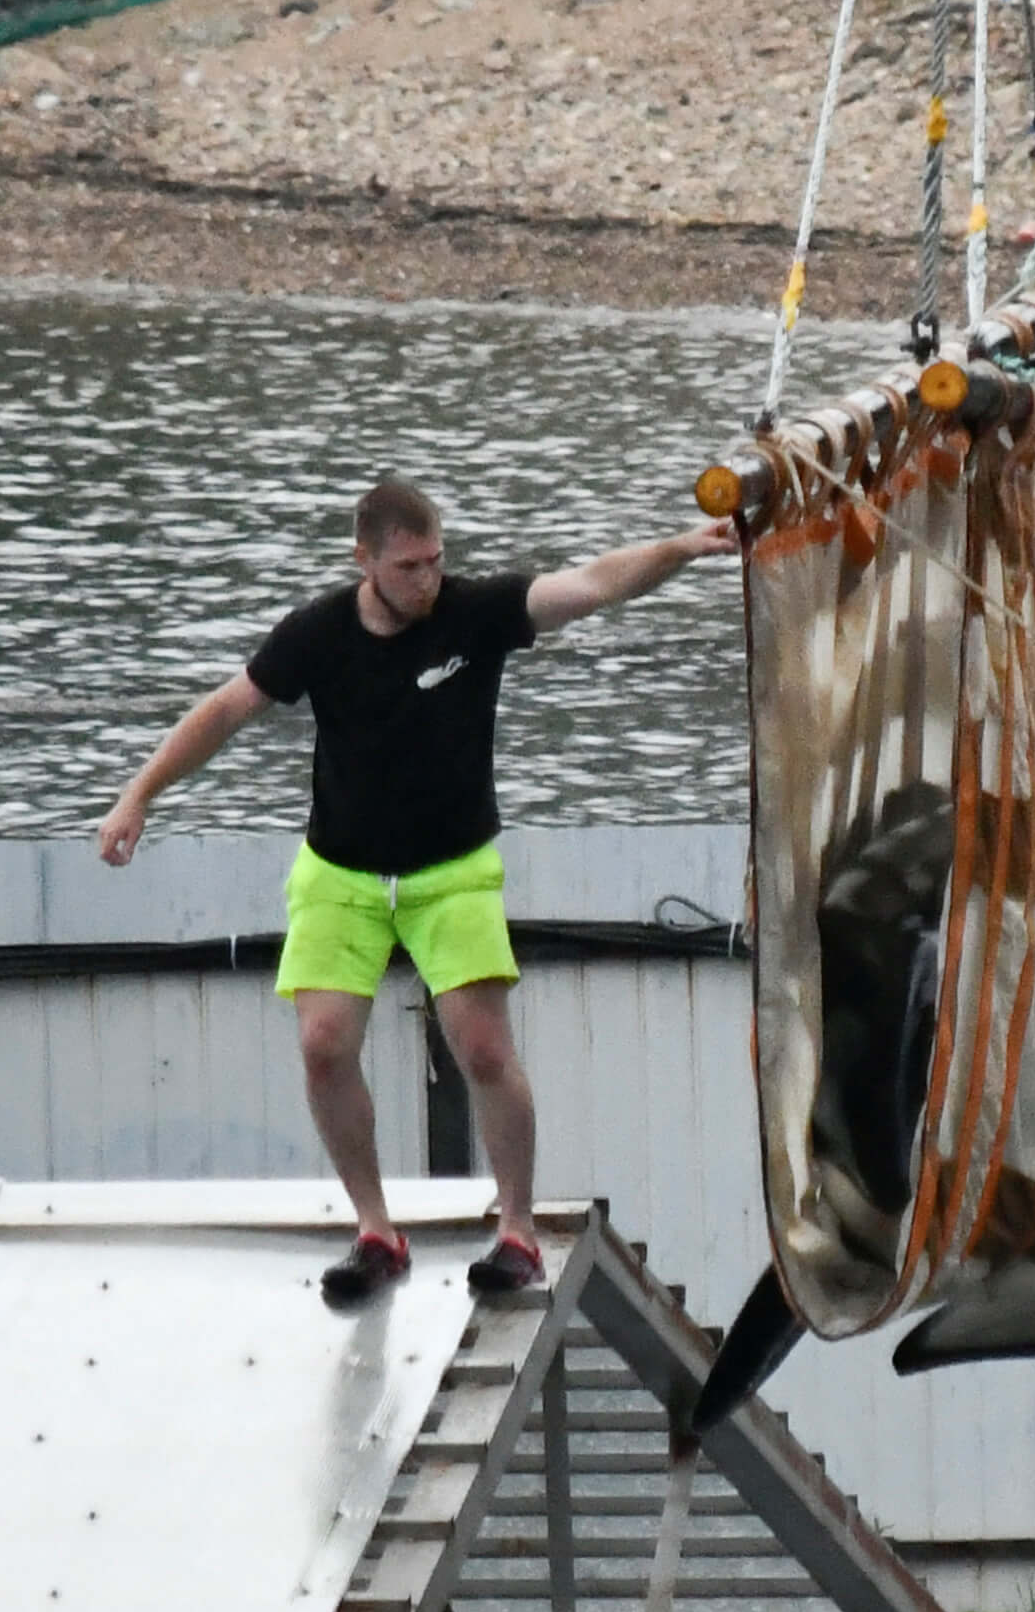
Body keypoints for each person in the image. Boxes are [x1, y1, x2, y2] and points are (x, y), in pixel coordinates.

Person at [97, 478, 735, 1302]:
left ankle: (516, 1231)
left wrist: (682, 547)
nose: (427, 580)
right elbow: (225, 711)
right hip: (341, 873)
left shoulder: (475, 614)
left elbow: (592, 582)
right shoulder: (317, 633)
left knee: (483, 1050)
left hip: (451, 872)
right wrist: (137, 796)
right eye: (408, 567)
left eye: (436, 561)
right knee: (324, 1046)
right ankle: (374, 1230)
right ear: (364, 559)